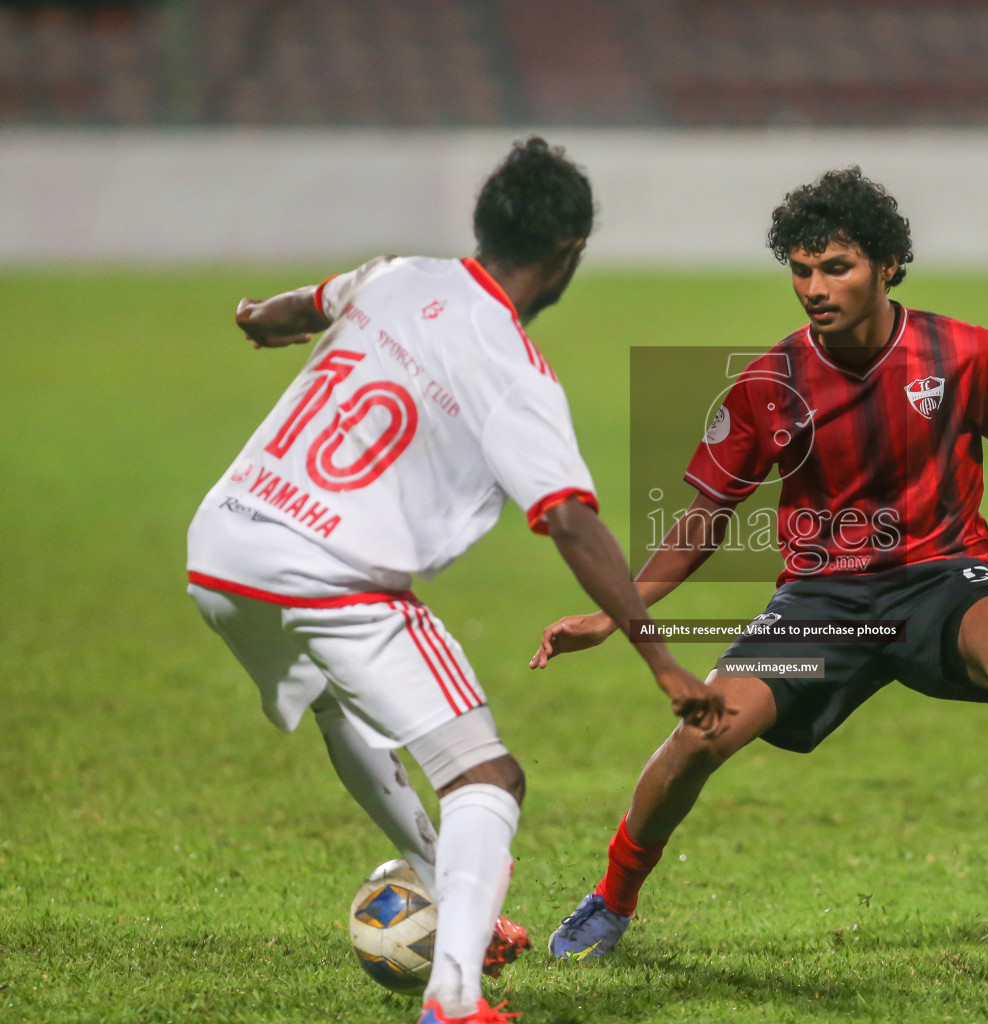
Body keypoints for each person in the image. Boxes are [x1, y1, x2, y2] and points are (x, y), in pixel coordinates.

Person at [534, 168, 988, 971]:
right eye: (801, 269)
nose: (814, 287)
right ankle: (610, 899)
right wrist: (616, 615)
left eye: (837, 267)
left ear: (888, 265)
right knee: (703, 735)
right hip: (821, 604)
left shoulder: (963, 353)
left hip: (943, 580)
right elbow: (704, 519)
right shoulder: (768, 383)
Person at [184, 137, 726, 1024]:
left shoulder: (397, 276)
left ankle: (450, 889)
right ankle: (454, 997)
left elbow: (301, 306)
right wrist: (661, 659)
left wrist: (258, 318)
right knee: (488, 777)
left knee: (333, 698)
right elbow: (571, 521)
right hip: (329, 574)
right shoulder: (513, 370)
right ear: (570, 254)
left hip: (224, 546)